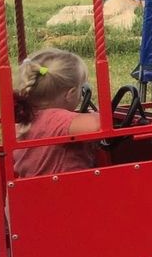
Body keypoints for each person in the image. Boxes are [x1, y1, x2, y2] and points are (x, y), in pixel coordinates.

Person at [11, 48, 101, 179]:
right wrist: (101, 114)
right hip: (68, 188)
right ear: (70, 94)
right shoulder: (57, 118)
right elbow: (98, 125)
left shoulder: (25, 117)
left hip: (34, 188)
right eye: (81, 88)